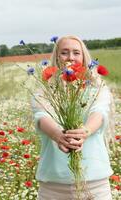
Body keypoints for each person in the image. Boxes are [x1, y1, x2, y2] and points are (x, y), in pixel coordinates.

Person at [32, 35, 114, 200]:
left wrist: (85, 131)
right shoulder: (43, 91)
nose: (70, 57)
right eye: (64, 52)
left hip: (94, 184)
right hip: (53, 186)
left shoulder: (98, 89)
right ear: (56, 57)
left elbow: (99, 113)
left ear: (83, 57)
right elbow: (41, 117)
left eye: (76, 52)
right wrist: (58, 135)